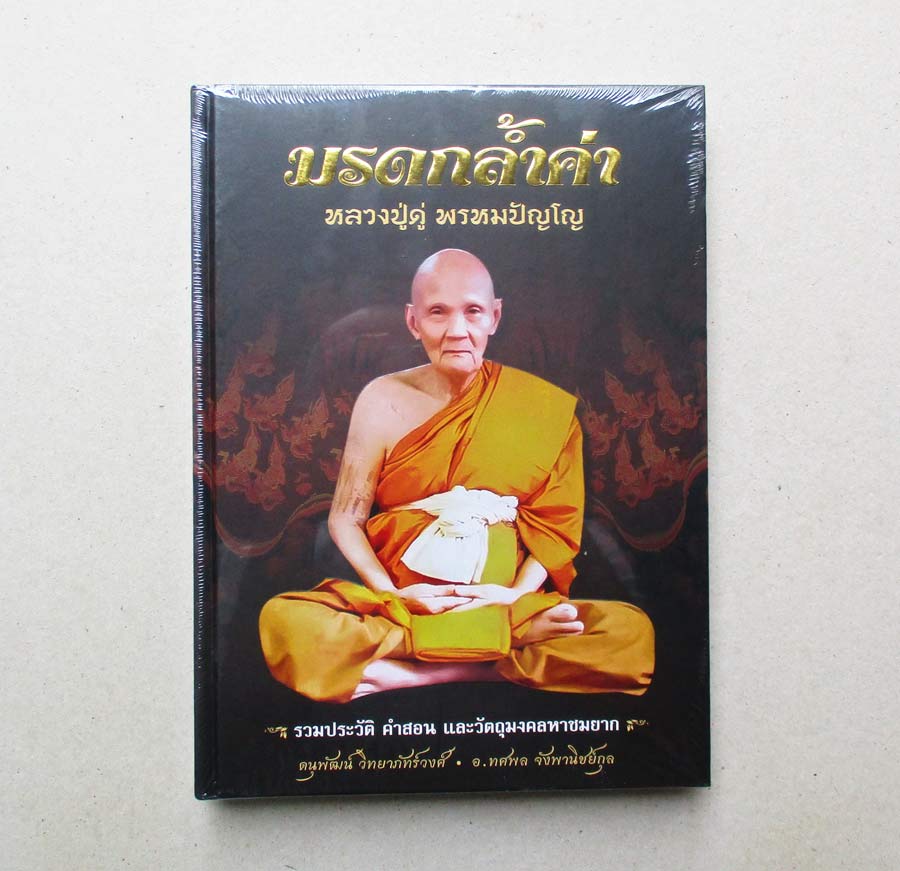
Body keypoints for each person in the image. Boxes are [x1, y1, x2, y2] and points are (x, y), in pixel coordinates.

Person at [259, 249, 654, 702]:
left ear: (494, 317)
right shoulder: (381, 399)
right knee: (283, 621)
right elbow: (346, 517)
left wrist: (512, 598)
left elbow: (556, 526)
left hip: (506, 602)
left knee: (631, 632)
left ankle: (424, 670)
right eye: (438, 313)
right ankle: (503, 646)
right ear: (413, 322)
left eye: (473, 312)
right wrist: (393, 595)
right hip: (406, 606)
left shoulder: (544, 407)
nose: (457, 331)